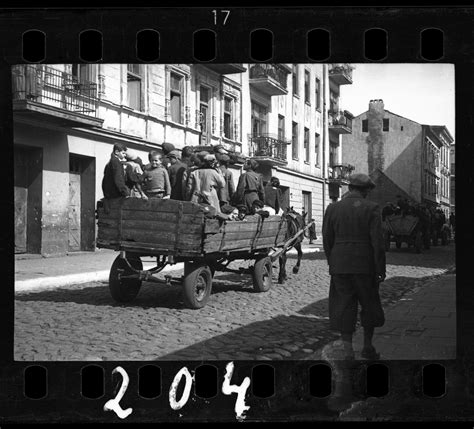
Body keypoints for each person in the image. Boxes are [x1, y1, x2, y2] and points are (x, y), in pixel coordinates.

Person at [322, 173, 386, 360]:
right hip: (365, 265)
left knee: (343, 306)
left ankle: (348, 351)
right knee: (369, 304)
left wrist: (332, 261)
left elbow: (327, 238)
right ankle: (367, 346)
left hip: (340, 265)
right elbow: (378, 242)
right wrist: (380, 268)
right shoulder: (372, 208)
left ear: (349, 188)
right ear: (365, 190)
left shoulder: (332, 208)